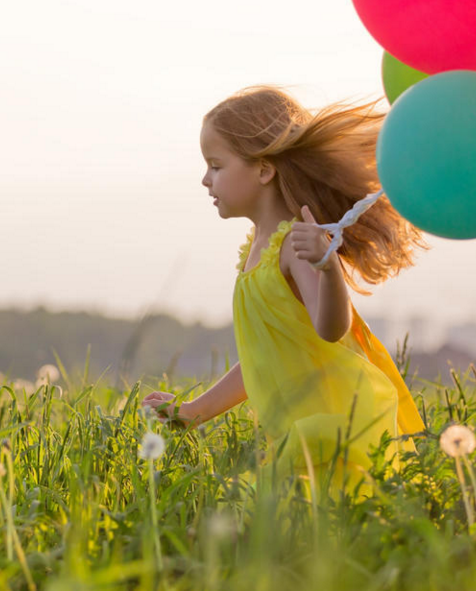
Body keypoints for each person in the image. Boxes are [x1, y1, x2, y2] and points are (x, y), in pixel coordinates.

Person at [141, 85, 429, 503]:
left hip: (328, 428)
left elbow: (331, 328)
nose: (206, 179)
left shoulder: (294, 244)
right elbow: (263, 356)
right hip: (289, 435)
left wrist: (329, 269)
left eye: (216, 165)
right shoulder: (255, 249)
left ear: (263, 169)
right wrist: (192, 413)